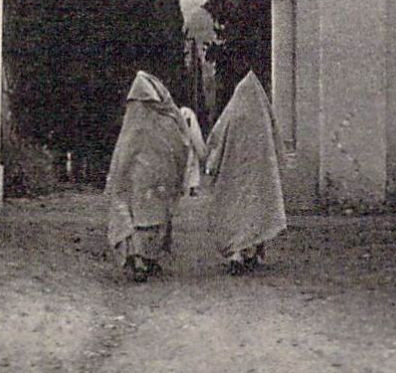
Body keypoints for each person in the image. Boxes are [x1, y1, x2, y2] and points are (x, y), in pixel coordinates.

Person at [104, 71, 205, 283]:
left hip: (135, 176)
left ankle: (139, 259)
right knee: (152, 218)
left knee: (132, 215)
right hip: (155, 178)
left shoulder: (134, 118)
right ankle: (146, 258)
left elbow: (123, 151)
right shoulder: (167, 116)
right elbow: (180, 143)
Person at [204, 71, 286, 275]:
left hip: (234, 176)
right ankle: (253, 251)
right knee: (257, 211)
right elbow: (277, 145)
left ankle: (237, 254)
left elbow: (216, 139)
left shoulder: (233, 114)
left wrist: (212, 165)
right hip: (258, 176)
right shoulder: (263, 117)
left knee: (236, 212)